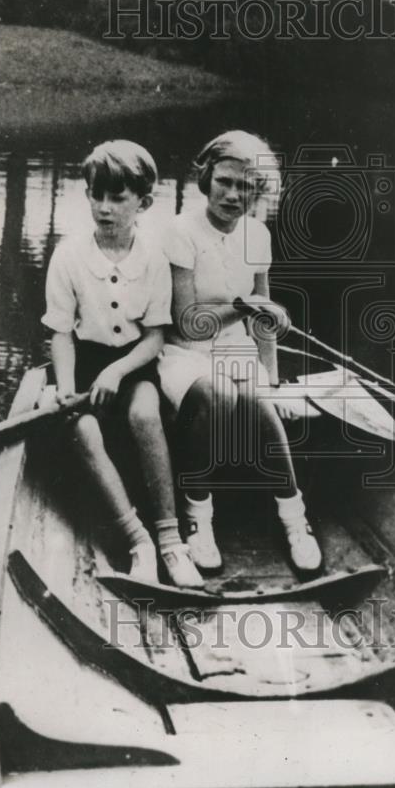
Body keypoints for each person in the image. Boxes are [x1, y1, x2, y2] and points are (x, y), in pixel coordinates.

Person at [158, 130, 322, 574]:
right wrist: (243, 306)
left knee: (257, 401)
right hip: (185, 354)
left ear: (258, 191)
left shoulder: (257, 234)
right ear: (206, 178)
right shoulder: (180, 230)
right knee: (216, 396)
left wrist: (271, 379)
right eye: (224, 181)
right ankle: (198, 520)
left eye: (245, 185)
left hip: (237, 351)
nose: (232, 194)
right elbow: (188, 320)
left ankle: (294, 519)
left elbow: (263, 322)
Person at [41, 140, 203, 589]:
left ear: (144, 202)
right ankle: (139, 542)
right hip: (84, 360)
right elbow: (60, 332)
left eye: (118, 197)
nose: (104, 207)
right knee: (84, 428)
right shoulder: (69, 255)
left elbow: (154, 339)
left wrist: (117, 371)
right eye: (97, 194)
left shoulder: (153, 257)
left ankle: (171, 542)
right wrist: (67, 388)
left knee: (145, 413)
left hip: (134, 363)